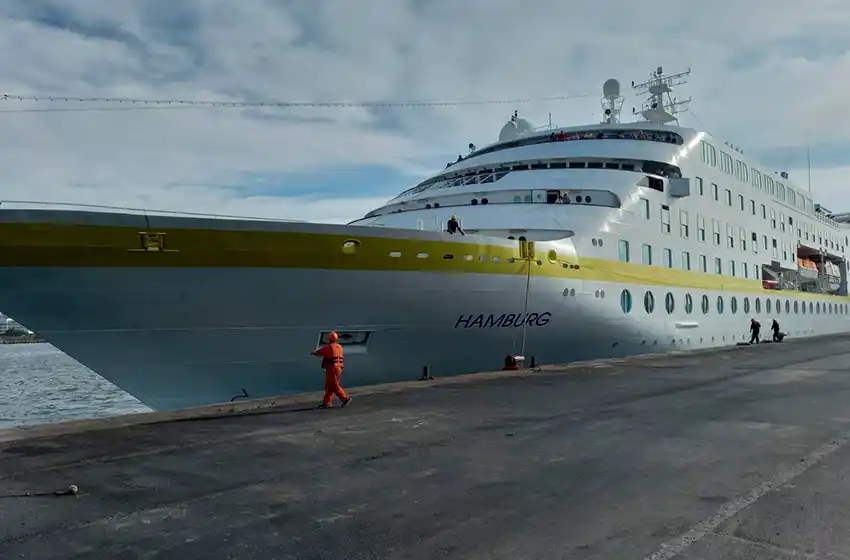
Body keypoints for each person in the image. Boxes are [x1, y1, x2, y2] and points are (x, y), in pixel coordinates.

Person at [311, 331, 351, 409]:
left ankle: (345, 398)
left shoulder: (329, 347)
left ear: (329, 339)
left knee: (334, 385)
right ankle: (327, 402)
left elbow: (319, 352)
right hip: (339, 367)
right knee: (329, 385)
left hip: (332, 368)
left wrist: (313, 353)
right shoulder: (339, 347)